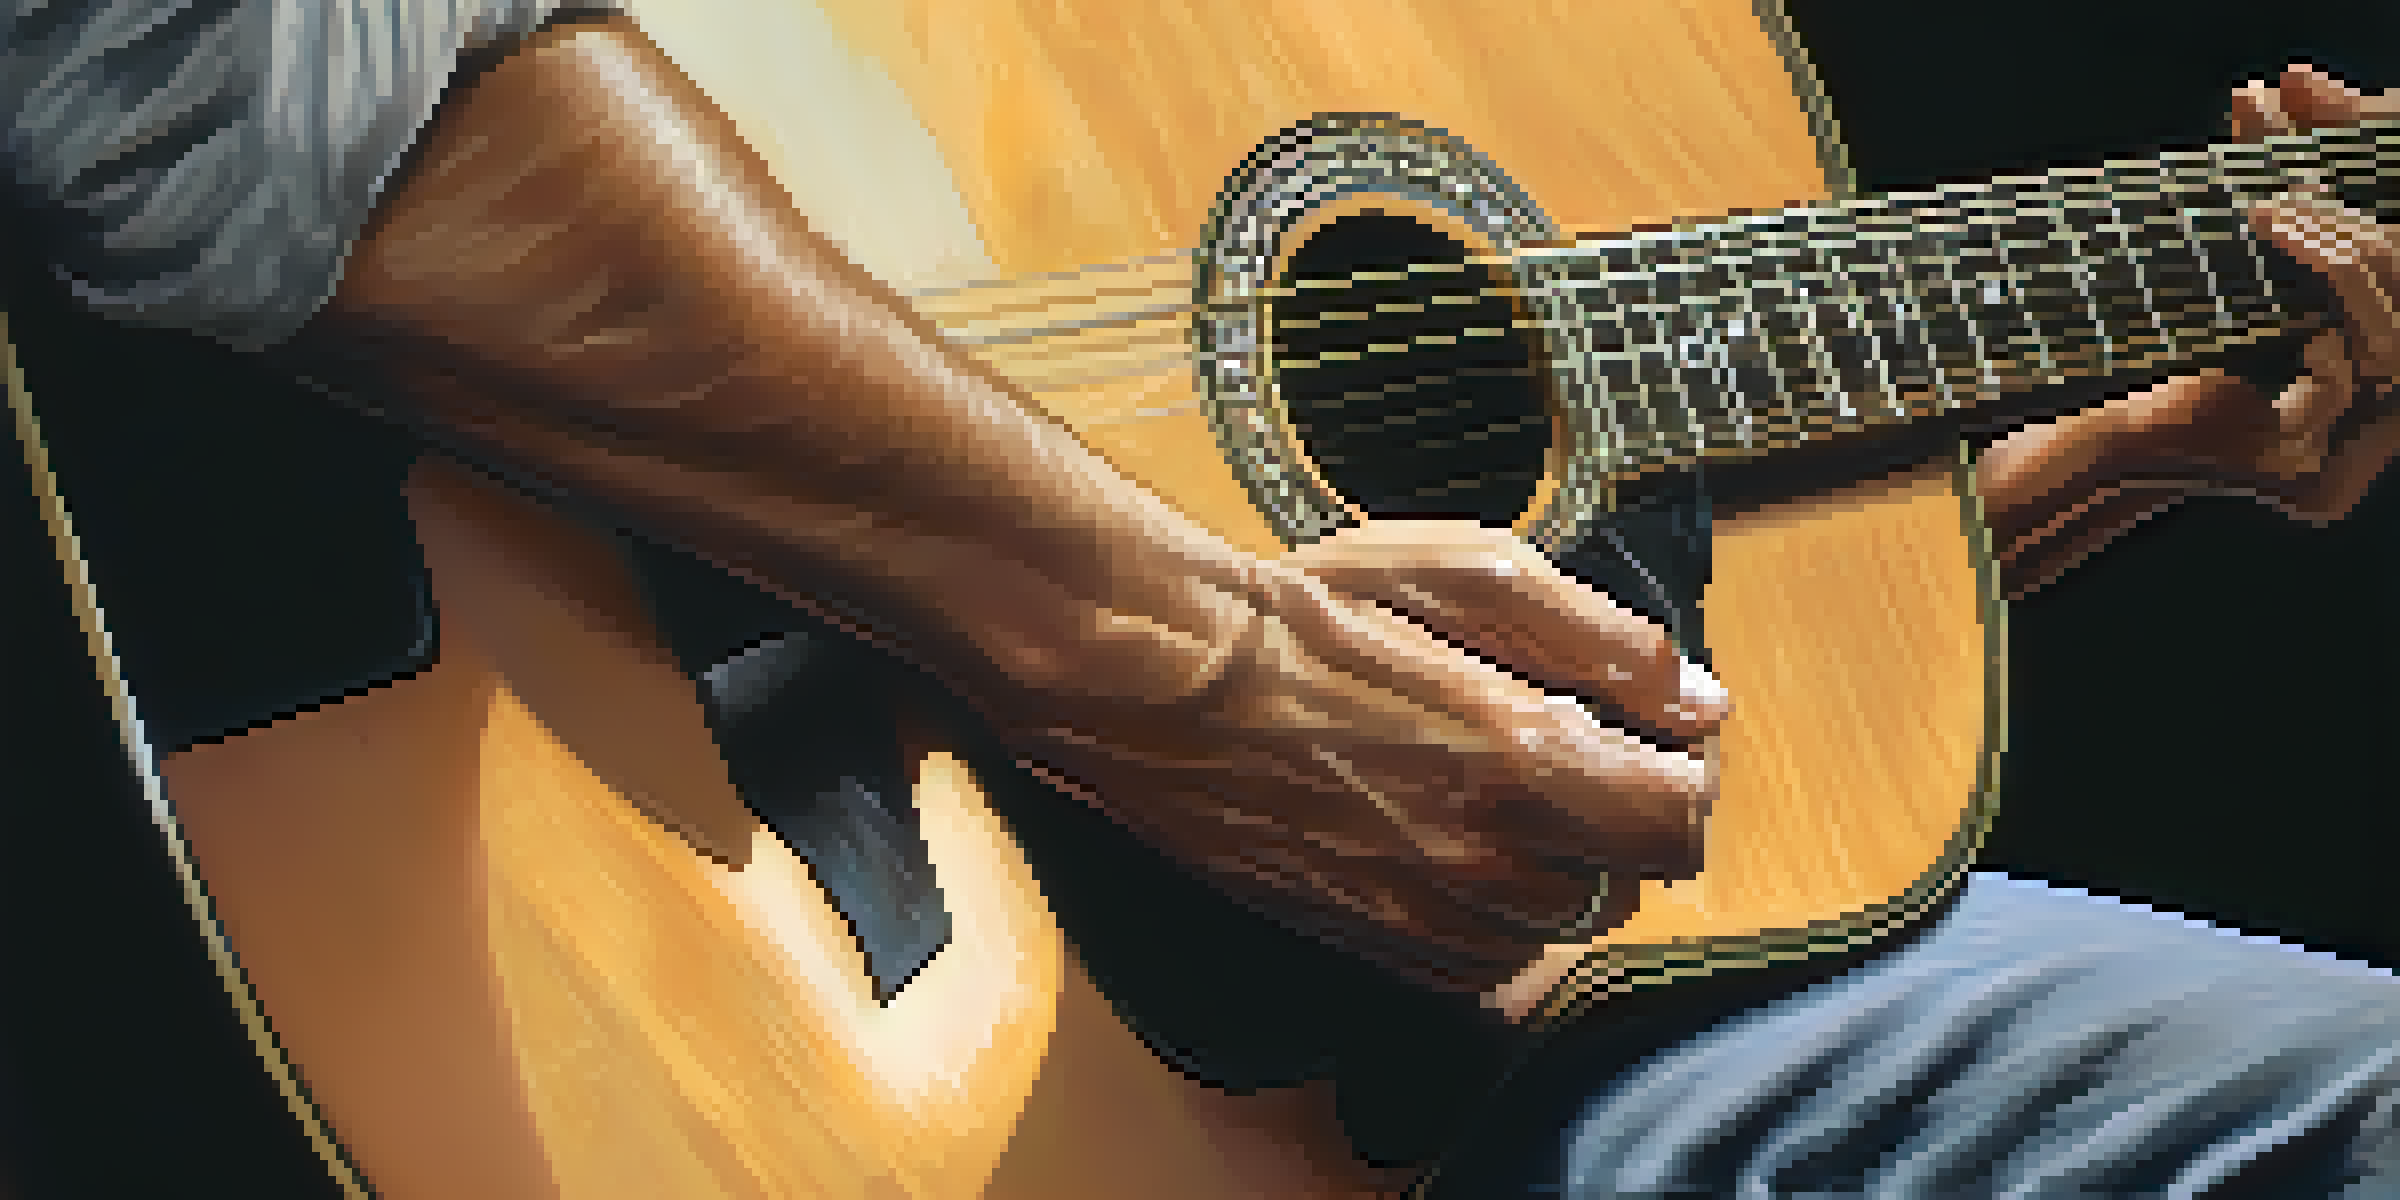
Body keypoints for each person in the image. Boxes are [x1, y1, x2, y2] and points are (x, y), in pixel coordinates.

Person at [6, 3, 2400, 1195]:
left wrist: (2090, 463)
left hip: (1429, 1050)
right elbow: (203, 59)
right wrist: (1176, 653)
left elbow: (1530, 667)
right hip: (705, 997)